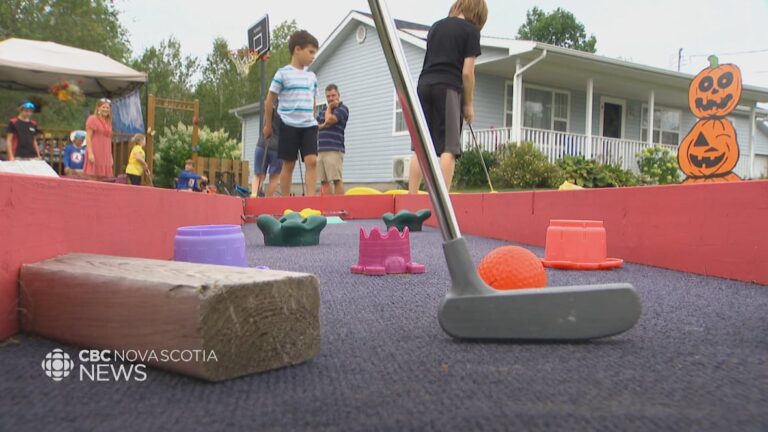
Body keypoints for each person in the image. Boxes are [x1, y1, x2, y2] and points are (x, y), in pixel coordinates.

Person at [408, 0, 487, 194]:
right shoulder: (471, 31)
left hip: (424, 85)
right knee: (449, 147)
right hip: (448, 87)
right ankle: (442, 201)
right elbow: (467, 72)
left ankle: (410, 199)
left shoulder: (436, 26)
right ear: (478, 15)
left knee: (421, 145)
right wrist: (468, 104)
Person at [262, 30, 320, 197]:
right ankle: (286, 200)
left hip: (308, 124)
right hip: (288, 124)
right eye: (310, 52)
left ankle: (310, 200)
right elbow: (270, 100)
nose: (313, 56)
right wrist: (268, 125)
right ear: (297, 49)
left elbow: (313, 100)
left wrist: (314, 119)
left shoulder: (312, 76)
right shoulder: (282, 74)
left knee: (312, 161)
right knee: (289, 164)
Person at [316, 84, 350, 195]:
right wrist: (323, 124)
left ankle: (339, 206)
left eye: (333, 95)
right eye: (328, 96)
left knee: (336, 179)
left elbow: (329, 120)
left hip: (334, 149)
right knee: (324, 181)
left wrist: (330, 108)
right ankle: (328, 208)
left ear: (338, 95)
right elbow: (316, 125)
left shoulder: (342, 109)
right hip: (321, 149)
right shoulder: (322, 111)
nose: (330, 98)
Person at [252, 102, 283, 197]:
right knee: (274, 177)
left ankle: (253, 196)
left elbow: (267, 103)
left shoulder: (269, 106)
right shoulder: (285, 110)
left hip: (262, 143)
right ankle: (267, 200)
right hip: (277, 146)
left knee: (258, 175)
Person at [84, 98, 114, 180]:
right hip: (95, 152)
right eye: (103, 107)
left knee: (102, 179)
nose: (106, 109)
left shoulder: (108, 122)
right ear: (98, 108)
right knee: (93, 177)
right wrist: (90, 153)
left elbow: (108, 140)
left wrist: (110, 156)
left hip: (105, 154)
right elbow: (88, 137)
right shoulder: (93, 119)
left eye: (108, 108)